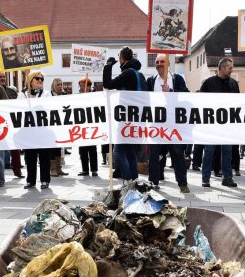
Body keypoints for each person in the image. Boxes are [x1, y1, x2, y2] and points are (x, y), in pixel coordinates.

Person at [146, 54, 189, 193]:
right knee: (154, 155)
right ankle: (153, 182)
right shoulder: (151, 81)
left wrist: (170, 91)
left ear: (168, 63)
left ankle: (182, 183)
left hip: (173, 124)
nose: (159, 64)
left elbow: (185, 95)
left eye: (162, 61)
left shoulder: (177, 79)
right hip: (156, 123)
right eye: (157, 62)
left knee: (177, 153)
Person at [103, 46, 145, 180]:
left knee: (118, 152)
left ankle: (128, 180)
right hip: (135, 117)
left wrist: (108, 67)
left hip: (126, 117)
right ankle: (134, 179)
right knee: (130, 151)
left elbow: (108, 84)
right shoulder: (139, 74)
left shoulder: (128, 73)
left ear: (122, 58)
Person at [199, 57, 239, 188]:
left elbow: (238, 103)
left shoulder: (234, 83)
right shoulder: (208, 83)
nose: (232, 70)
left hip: (228, 124)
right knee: (209, 152)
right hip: (211, 124)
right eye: (230, 68)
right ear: (222, 68)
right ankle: (205, 178)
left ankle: (227, 178)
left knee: (227, 151)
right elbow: (201, 102)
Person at [21, 70, 52, 189]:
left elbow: (48, 107)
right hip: (28, 130)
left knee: (44, 156)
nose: (40, 81)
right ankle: (30, 180)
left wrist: (34, 100)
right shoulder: (22, 94)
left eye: (41, 79)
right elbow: (18, 109)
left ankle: (45, 180)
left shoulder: (47, 93)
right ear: (30, 80)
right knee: (30, 157)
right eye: (37, 78)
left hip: (43, 130)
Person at [0, 68, 23, 178]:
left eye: (3, 76)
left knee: (15, 147)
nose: (2, 78)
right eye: (0, 76)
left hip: (11, 122)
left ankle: (17, 170)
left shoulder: (12, 91)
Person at [76, 76, 99, 178]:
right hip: (81, 125)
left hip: (91, 125)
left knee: (92, 149)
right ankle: (85, 169)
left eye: (83, 85)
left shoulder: (94, 96)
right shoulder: (77, 96)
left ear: (89, 87)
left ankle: (94, 170)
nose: (81, 87)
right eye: (80, 85)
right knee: (82, 149)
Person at [48, 77, 69, 177]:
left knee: (59, 147)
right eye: (58, 85)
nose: (60, 86)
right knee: (52, 147)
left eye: (61, 84)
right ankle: (52, 169)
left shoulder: (64, 95)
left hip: (61, 124)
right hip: (52, 124)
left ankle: (58, 168)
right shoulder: (49, 95)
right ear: (53, 86)